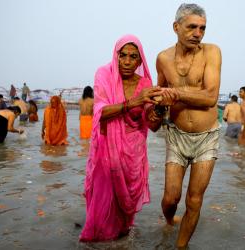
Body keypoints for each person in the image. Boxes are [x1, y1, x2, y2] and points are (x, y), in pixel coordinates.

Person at [80, 35, 162, 241]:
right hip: (106, 150)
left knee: (125, 207)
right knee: (103, 199)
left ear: (140, 61)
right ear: (115, 56)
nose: (127, 61)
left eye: (133, 57)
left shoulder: (145, 83)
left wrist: (159, 110)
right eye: (122, 55)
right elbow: (100, 112)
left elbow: (152, 126)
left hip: (133, 153)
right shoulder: (104, 74)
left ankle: (120, 239)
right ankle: (98, 239)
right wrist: (135, 102)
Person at [155, 4, 222, 248]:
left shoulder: (212, 52)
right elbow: (159, 96)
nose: (198, 33)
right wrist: (158, 106)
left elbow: (210, 97)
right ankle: (169, 222)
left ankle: (180, 246)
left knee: (194, 200)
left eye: (202, 28)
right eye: (192, 27)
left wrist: (175, 94)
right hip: (176, 134)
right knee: (171, 197)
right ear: (176, 27)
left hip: (207, 136)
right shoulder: (163, 58)